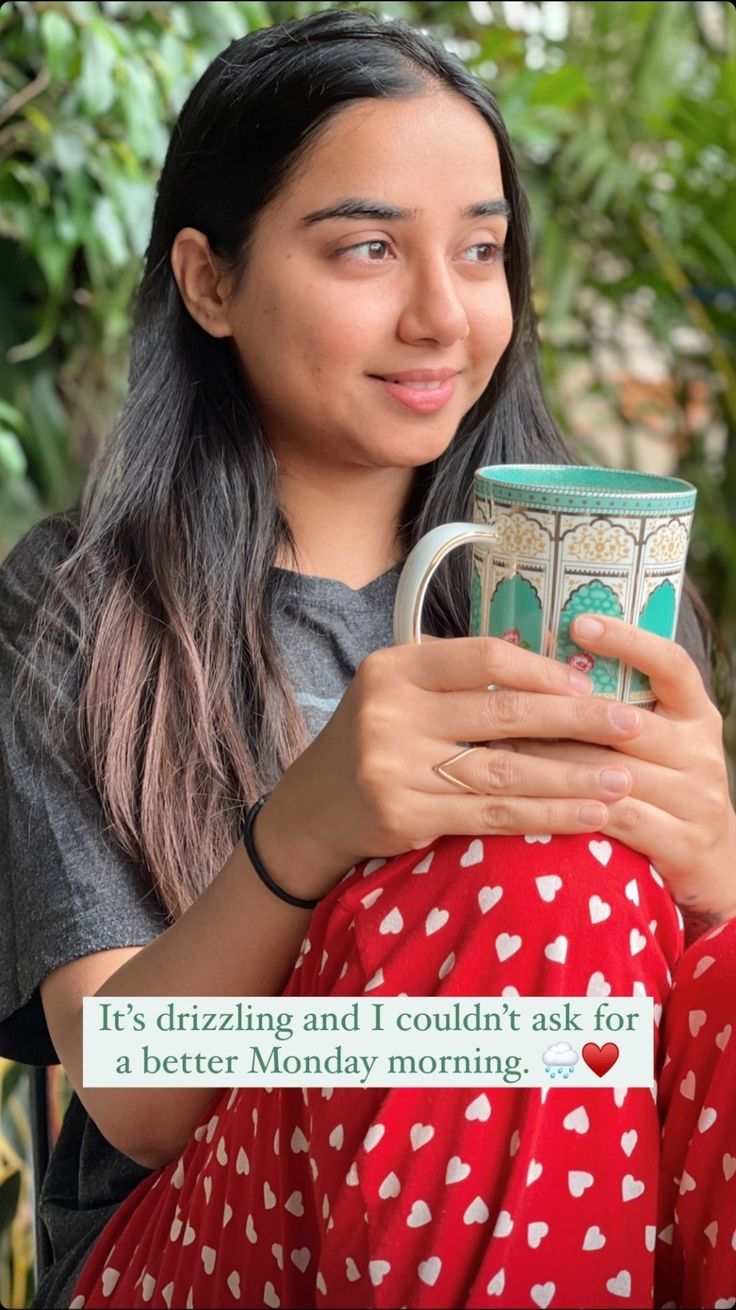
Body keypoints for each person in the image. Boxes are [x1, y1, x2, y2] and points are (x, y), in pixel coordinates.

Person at [1, 9, 734, 1309]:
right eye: (370, 247)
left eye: (484, 251)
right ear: (209, 279)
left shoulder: (620, 604)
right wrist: (307, 834)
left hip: (580, 1228)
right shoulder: (79, 612)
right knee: (539, 893)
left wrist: (717, 878)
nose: (443, 313)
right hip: (184, 1248)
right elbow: (127, 1091)